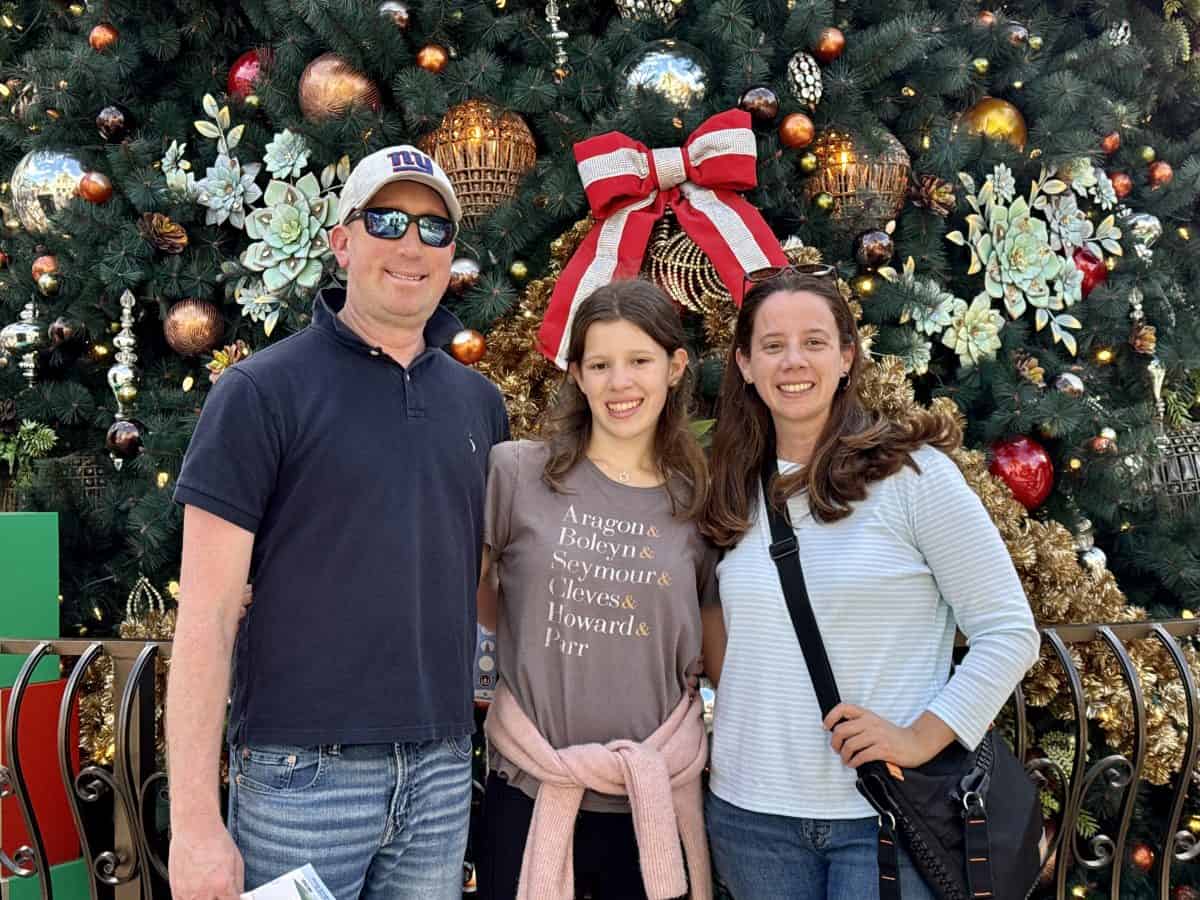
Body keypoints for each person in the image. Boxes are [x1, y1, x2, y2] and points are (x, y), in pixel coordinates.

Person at [166, 144, 509, 900]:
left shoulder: (480, 404)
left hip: (442, 773)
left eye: (434, 227)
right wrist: (193, 824)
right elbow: (208, 618)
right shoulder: (259, 393)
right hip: (300, 777)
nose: (412, 244)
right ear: (342, 241)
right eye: (386, 219)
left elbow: (487, 587)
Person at [698, 267, 1041, 899]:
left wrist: (922, 736)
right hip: (749, 815)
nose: (792, 361)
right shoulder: (730, 488)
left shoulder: (915, 479)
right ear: (745, 364)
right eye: (772, 345)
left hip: (881, 813)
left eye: (815, 341)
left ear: (847, 355)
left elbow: (1008, 630)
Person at [476, 279, 716, 900]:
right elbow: (479, 605)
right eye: (601, 364)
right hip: (531, 790)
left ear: (675, 366)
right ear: (577, 374)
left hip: (652, 801)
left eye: (639, 361)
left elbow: (717, 650)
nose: (621, 383)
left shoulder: (702, 500)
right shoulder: (516, 472)